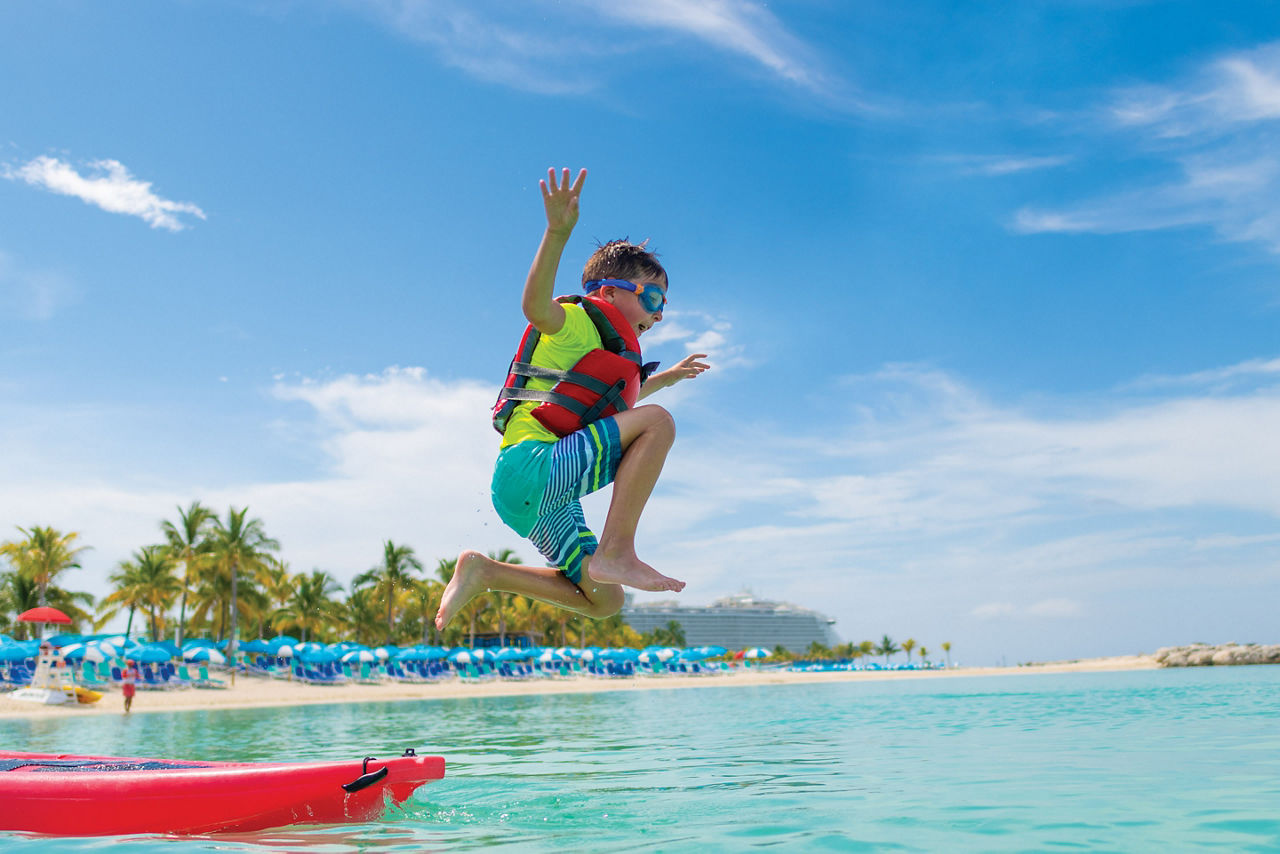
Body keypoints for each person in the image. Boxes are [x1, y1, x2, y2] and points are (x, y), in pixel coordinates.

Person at [436, 167, 709, 630]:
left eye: (665, 305)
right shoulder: (579, 322)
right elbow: (535, 307)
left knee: (605, 601)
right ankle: (619, 549)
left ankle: (485, 572)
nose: (660, 314)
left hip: (533, 496)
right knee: (658, 422)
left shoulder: (599, 350)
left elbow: (621, 396)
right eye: (654, 297)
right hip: (534, 464)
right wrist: (557, 233)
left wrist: (673, 377)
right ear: (609, 291)